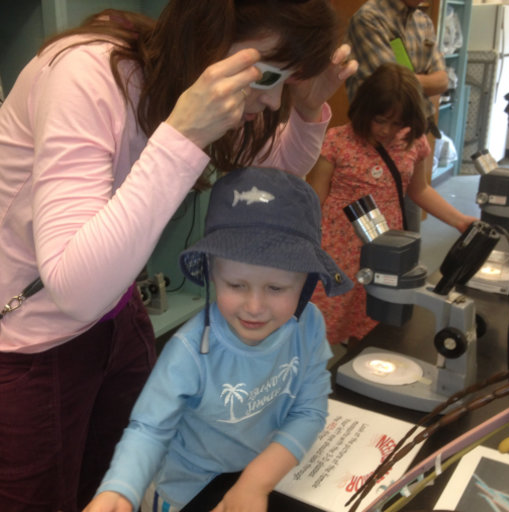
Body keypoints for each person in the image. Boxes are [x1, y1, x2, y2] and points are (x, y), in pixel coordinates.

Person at [0, 2, 358, 511]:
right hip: (29, 343)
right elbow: (75, 291)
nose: (274, 98)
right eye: (271, 76)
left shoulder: (180, 86)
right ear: (207, 35)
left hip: (115, 312)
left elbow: (270, 178)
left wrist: (305, 113)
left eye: (287, 80)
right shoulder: (86, 74)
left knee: (110, 483)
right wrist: (183, 137)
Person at [82, 166, 352, 512]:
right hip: (189, 490)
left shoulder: (309, 323)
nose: (254, 307)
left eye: (276, 288)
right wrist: (120, 490)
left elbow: (309, 409)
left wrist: (255, 481)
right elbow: (149, 429)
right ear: (211, 273)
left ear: (306, 283)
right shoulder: (188, 351)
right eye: (236, 285)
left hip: (263, 473)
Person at [306, 63, 476, 346]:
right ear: (365, 109)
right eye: (380, 120)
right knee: (326, 319)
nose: (387, 130)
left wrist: (459, 220)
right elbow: (314, 197)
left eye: (397, 123)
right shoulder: (337, 141)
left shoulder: (414, 142)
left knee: (378, 317)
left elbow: (420, 191)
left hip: (386, 248)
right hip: (336, 247)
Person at [346, 0, 449, 232]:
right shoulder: (370, 18)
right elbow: (392, 85)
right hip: (374, 138)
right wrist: (422, 78)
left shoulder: (423, 20)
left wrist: (414, 79)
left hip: (413, 132)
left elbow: (443, 80)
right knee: (370, 224)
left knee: (407, 220)